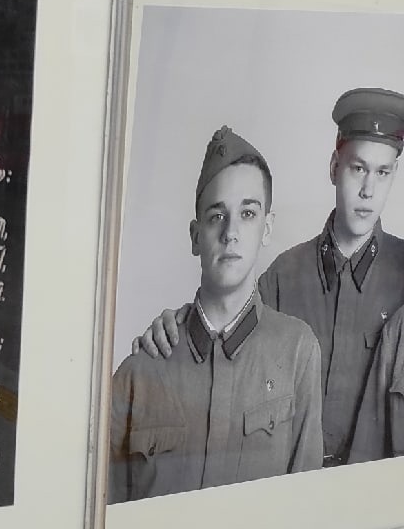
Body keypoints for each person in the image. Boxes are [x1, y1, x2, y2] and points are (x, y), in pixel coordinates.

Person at [135, 88, 404, 465]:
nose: (368, 190)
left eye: (382, 172)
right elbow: (228, 333)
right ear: (334, 168)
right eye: (357, 168)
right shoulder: (283, 275)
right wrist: (175, 325)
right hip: (287, 480)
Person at [108, 126, 322, 502]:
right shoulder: (140, 371)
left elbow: (306, 507)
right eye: (216, 216)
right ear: (195, 236)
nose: (231, 233)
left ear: (267, 228)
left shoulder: (297, 353)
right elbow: (105, 514)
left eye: (248, 214)